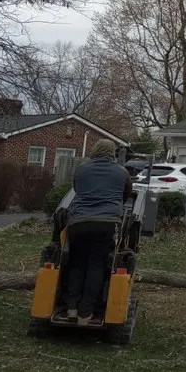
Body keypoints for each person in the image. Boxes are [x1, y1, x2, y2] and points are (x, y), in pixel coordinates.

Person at [64, 138, 132, 325]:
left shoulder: (81, 169)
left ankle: (71, 308)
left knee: (77, 263)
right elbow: (125, 195)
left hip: (79, 222)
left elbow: (77, 189)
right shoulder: (122, 172)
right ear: (112, 153)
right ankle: (85, 313)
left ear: (94, 150)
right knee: (96, 265)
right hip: (107, 223)